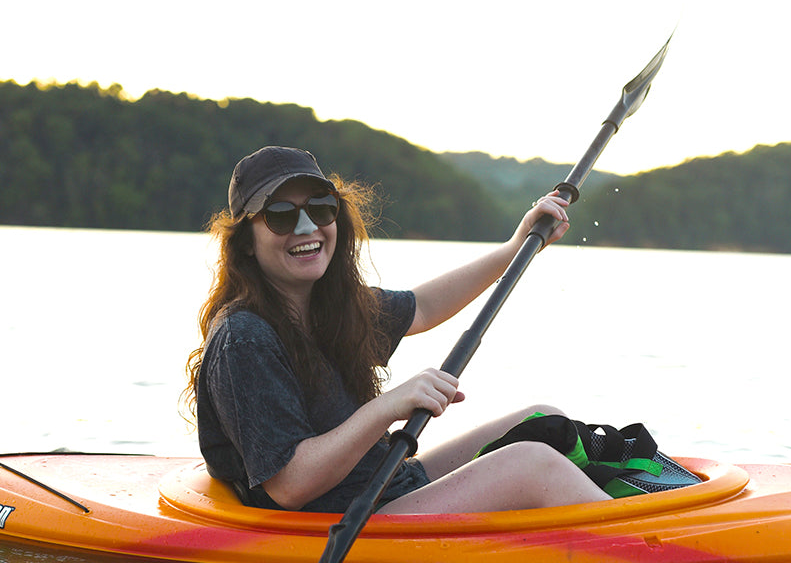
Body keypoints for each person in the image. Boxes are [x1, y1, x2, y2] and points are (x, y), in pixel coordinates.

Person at [184, 146, 611, 514]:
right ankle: (651, 549)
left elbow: (422, 306)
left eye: (320, 209)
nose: (306, 227)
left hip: (384, 486)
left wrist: (516, 246)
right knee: (530, 464)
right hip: (344, 522)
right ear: (245, 242)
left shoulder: (331, 307)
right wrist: (390, 405)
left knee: (544, 420)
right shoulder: (244, 339)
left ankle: (627, 516)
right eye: (280, 216)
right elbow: (290, 486)